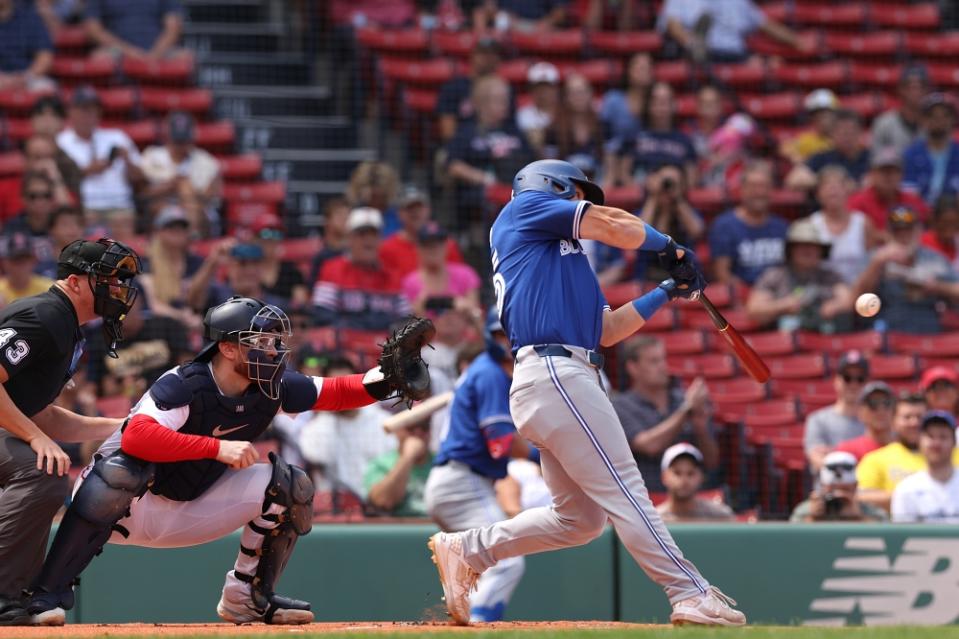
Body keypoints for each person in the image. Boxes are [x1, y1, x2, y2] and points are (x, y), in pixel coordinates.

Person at [427, 159, 745, 627]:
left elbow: (608, 329)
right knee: (627, 489)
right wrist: (669, 245)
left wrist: (665, 290)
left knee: (580, 521)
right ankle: (690, 592)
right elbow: (612, 224)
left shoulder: (558, 257)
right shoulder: (523, 209)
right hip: (556, 373)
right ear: (550, 186)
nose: (582, 203)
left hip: (558, 376)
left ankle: (469, 549)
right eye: (576, 193)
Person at [24, 299, 433, 626]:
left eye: (275, 341)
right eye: (261, 341)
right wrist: (215, 448)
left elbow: (338, 391)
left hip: (192, 509)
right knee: (119, 470)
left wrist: (387, 378)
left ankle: (246, 598)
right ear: (228, 347)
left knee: (292, 485)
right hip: (129, 508)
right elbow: (136, 436)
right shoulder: (183, 383)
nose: (273, 349)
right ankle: (47, 593)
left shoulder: (272, 385)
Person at [0, 238, 141, 625]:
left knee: (44, 465)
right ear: (76, 282)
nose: (117, 291)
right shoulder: (44, 314)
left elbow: (43, 415)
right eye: (108, 281)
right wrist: (33, 437)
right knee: (41, 467)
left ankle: (15, 597)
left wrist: (123, 426)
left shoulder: (66, 324)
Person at [425, 310, 537, 622]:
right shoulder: (490, 373)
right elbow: (500, 442)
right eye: (499, 334)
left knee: (481, 566)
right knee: (507, 559)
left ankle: (465, 611)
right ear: (489, 336)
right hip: (462, 482)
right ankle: (478, 625)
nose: (506, 341)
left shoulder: (486, 370)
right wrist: (543, 457)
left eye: (509, 334)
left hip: (457, 481)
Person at [612, 335, 719, 493]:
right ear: (632, 367)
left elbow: (711, 461)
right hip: (646, 497)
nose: (662, 366)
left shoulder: (683, 399)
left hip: (693, 498)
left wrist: (701, 429)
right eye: (654, 361)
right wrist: (685, 411)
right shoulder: (621, 406)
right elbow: (648, 445)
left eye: (663, 360)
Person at [296, 356, 395, 500]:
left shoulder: (383, 421)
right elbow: (317, 456)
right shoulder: (314, 429)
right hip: (337, 511)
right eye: (336, 387)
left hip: (380, 506)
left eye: (347, 385)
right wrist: (327, 408)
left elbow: (391, 466)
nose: (343, 393)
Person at [854, 206, 959, 334]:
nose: (903, 235)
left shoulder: (934, 259)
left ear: (919, 230)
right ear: (888, 233)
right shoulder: (875, 257)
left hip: (928, 331)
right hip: (887, 331)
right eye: (897, 230)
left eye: (908, 229)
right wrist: (877, 264)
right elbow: (858, 301)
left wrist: (938, 287)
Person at [446, 75, 534, 224]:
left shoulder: (513, 130)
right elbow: (453, 165)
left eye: (506, 99)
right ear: (482, 103)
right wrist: (484, 178)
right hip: (482, 195)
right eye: (499, 100)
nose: (505, 104)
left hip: (516, 191)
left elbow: (531, 160)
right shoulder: (467, 131)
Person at [745, 218, 850, 332]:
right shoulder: (774, 276)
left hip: (825, 338)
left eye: (813, 246)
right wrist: (784, 305)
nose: (807, 250)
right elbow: (754, 310)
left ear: (821, 251)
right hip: (784, 340)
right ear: (790, 250)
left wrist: (834, 306)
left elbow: (849, 300)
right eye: (801, 246)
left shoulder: (830, 276)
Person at [312, 207, 408, 330]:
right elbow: (323, 317)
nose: (368, 240)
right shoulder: (331, 270)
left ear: (381, 240)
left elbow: (406, 321)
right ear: (349, 239)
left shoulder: (393, 276)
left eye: (373, 234)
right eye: (362, 234)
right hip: (344, 344)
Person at [56, 86, 144, 215]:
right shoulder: (61, 141)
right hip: (84, 207)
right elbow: (57, 179)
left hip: (120, 204)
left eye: (94, 109)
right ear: (71, 112)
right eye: (84, 109)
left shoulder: (117, 137)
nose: (90, 115)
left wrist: (127, 160)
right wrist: (87, 171)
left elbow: (139, 179)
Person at [140, 112, 222, 235]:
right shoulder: (151, 156)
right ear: (167, 137)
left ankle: (191, 238)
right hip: (162, 206)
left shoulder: (207, 161)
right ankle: (189, 239)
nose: (180, 146)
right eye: (176, 141)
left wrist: (186, 192)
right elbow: (142, 193)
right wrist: (170, 186)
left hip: (199, 211)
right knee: (165, 206)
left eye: (184, 141)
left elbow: (209, 197)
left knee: (186, 189)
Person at [708, 161, 789, 286]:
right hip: (742, 298)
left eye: (764, 186)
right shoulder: (724, 226)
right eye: (753, 186)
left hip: (779, 296)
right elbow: (722, 274)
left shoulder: (782, 227)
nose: (759, 192)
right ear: (742, 189)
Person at [657, 0, 805, 63]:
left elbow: (766, 24)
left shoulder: (739, 2)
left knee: (763, 63)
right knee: (698, 51)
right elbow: (672, 24)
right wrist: (688, 41)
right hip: (705, 54)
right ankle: (698, 45)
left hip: (736, 56)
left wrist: (797, 41)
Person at [857, 393, 934, 511]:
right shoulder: (875, 459)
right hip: (895, 527)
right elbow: (861, 497)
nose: (914, 423)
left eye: (920, 417)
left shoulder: (953, 455)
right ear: (893, 422)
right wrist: (912, 498)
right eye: (907, 417)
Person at [616, 82, 697, 187]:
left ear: (673, 105)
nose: (661, 107)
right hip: (642, 196)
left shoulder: (684, 141)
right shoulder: (635, 137)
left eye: (666, 101)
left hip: (675, 196)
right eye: (657, 101)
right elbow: (623, 174)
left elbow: (692, 179)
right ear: (649, 105)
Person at [806, 166, 877, 284]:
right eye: (826, 186)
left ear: (848, 191)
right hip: (822, 291)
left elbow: (871, 264)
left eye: (838, 186)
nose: (833, 190)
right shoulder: (811, 224)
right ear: (818, 194)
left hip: (858, 291)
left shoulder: (864, 223)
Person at [138, 205, 203, 327]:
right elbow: (154, 305)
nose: (177, 231)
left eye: (182, 227)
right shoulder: (147, 263)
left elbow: (201, 299)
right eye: (171, 227)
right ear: (158, 231)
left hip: (195, 321)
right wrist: (182, 317)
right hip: (161, 326)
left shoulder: (196, 262)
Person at [803, 351, 868, 472]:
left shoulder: (874, 421)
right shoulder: (818, 420)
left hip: (868, 488)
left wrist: (834, 452)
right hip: (830, 489)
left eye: (860, 379)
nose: (853, 384)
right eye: (847, 378)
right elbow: (817, 460)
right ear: (837, 381)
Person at [379, 187, 463, 278]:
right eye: (409, 208)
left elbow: (460, 281)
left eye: (419, 207)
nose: (415, 212)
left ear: (428, 210)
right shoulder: (387, 248)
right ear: (399, 214)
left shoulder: (447, 245)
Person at [891, 411, 959, 523]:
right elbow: (902, 535)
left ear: (954, 442)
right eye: (930, 436)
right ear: (920, 441)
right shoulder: (907, 488)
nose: (936, 443)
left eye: (943, 437)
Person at [402, 224, 481, 317]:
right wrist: (418, 310)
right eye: (428, 245)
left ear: (446, 246)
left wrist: (467, 309)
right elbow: (405, 325)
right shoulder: (410, 282)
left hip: (459, 330)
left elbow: (478, 321)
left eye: (438, 245)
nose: (434, 250)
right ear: (418, 249)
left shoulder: (466, 275)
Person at [436, 37, 503, 143]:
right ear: (472, 56)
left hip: (498, 145)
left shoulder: (504, 89)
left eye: (493, 54)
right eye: (483, 53)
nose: (488, 58)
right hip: (460, 148)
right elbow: (448, 133)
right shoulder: (454, 88)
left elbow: (510, 127)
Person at [789, 451, 887, 523]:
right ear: (823, 485)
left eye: (845, 489)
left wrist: (858, 518)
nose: (839, 494)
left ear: (855, 486)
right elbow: (792, 542)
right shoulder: (807, 509)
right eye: (833, 489)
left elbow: (884, 539)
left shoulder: (872, 511)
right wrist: (813, 518)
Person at [847, 148, 930, 231]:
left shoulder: (913, 202)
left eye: (892, 171)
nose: (888, 176)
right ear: (872, 174)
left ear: (901, 175)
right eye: (883, 171)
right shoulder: (857, 203)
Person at [787, 111, 871, 191]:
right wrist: (829, 183)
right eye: (842, 132)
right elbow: (794, 179)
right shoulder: (822, 157)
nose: (846, 136)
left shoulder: (873, 157)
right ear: (831, 134)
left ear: (861, 132)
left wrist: (860, 185)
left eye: (850, 131)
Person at [543, 73, 604, 182]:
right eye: (574, 93)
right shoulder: (553, 129)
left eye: (582, 92)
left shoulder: (601, 126)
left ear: (590, 94)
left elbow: (608, 164)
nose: (579, 97)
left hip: (597, 183)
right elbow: (548, 168)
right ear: (566, 97)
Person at [366, 418, 433, 517]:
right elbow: (383, 501)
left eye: (424, 427)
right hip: (399, 526)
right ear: (398, 431)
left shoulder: (444, 462)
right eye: (411, 428)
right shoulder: (381, 463)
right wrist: (408, 457)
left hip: (438, 527)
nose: (418, 433)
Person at [903, 93, 959, 206]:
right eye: (932, 116)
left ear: (953, 120)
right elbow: (908, 194)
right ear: (923, 120)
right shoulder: (911, 155)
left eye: (945, 116)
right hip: (919, 216)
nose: (939, 120)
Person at [656, 443, 734, 523]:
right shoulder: (654, 520)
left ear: (701, 477)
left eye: (690, 473)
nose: (684, 479)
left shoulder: (721, 516)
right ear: (664, 477)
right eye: (677, 473)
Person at [85, 0, 186, 60]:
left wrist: (154, 56)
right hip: (118, 51)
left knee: (184, 57)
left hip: (158, 52)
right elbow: (93, 29)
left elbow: (173, 28)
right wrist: (130, 52)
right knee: (100, 58)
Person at [871, 65, 930, 159]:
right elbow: (876, 161)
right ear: (901, 90)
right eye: (910, 87)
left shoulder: (933, 125)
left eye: (921, 86)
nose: (915, 91)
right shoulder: (884, 124)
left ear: (927, 90)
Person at [250, 215, 308, 308]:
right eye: (265, 234)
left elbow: (301, 305)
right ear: (254, 239)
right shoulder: (246, 270)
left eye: (277, 234)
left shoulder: (291, 271)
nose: (271, 240)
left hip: (283, 319)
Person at [600, 52, 654, 149]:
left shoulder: (655, 102)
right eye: (641, 68)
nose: (644, 73)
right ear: (629, 71)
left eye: (648, 69)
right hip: (616, 153)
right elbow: (603, 135)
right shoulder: (613, 99)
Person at [835, 382, 896, 461]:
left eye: (887, 403)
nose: (881, 410)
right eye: (872, 404)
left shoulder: (907, 448)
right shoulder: (847, 451)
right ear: (860, 412)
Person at [0, 0, 53, 90]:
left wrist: (26, 77)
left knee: (46, 88)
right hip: (1, 78)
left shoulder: (29, 17)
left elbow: (45, 56)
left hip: (28, 77)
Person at [782, 89, 839, 164]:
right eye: (817, 116)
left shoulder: (844, 139)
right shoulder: (808, 140)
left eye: (825, 115)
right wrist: (795, 156)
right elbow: (784, 148)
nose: (822, 120)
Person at [516, 62, 560, 156]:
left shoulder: (566, 112)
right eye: (539, 88)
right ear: (531, 90)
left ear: (556, 89)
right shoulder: (523, 115)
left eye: (547, 87)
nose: (543, 92)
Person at [0, 234, 54, 307]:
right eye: (16, 260)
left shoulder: (49, 289)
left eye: (25, 260)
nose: (20, 266)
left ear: (34, 261)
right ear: (5, 263)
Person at [35, 206, 84, 280]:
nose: (73, 228)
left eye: (77, 224)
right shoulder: (39, 262)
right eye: (65, 224)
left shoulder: (90, 264)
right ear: (51, 230)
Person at [309, 197, 350, 284]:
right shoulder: (321, 258)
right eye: (339, 215)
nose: (345, 219)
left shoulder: (356, 254)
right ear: (327, 221)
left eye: (347, 215)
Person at [921, 195, 959, 270]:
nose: (950, 227)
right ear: (935, 221)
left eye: (954, 222)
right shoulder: (923, 242)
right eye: (945, 222)